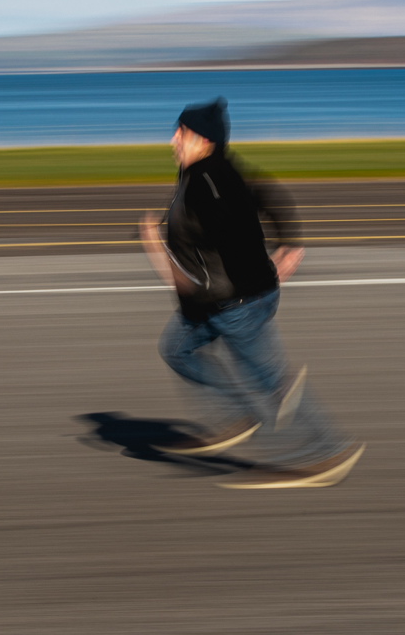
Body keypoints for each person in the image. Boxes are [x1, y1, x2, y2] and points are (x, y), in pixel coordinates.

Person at [139, 97, 363, 489]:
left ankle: (327, 454)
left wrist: (154, 246)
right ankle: (240, 416)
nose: (173, 138)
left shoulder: (207, 184)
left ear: (204, 140)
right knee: (176, 349)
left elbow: (207, 261)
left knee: (274, 386)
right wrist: (289, 242)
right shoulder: (213, 170)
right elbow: (269, 195)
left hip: (233, 306)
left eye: (181, 132)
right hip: (226, 300)